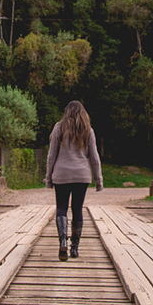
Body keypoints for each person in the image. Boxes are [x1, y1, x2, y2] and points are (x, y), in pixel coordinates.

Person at [45, 100, 103, 261]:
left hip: (61, 175)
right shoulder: (88, 131)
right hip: (81, 176)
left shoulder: (59, 128)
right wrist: (99, 180)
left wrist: (49, 178)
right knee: (77, 209)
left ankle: (62, 241)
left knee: (61, 208)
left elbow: (51, 156)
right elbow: (95, 158)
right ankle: (75, 249)